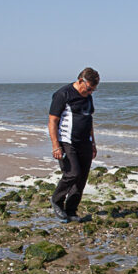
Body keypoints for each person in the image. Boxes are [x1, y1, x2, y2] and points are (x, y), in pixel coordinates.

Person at [48, 67, 99, 222]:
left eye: (93, 90)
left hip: (85, 143)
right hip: (67, 142)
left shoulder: (88, 97)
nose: (90, 92)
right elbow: (52, 121)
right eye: (89, 89)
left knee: (82, 178)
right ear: (80, 81)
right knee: (72, 173)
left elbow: (89, 121)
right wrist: (56, 145)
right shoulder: (63, 94)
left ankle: (71, 210)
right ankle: (56, 201)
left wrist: (93, 143)